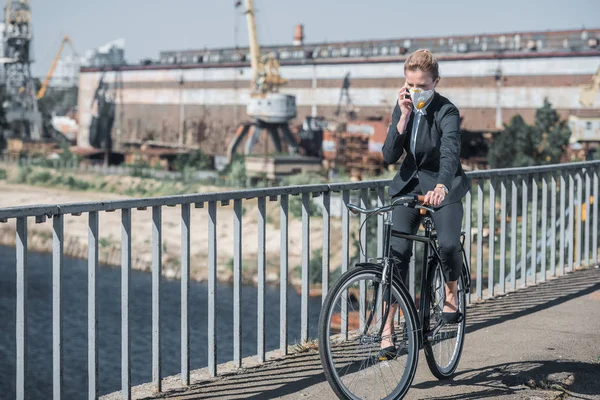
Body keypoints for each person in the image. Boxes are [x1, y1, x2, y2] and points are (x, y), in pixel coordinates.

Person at [379, 49, 471, 360]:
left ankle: (450, 294)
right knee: (396, 256)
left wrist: (443, 186)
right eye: (410, 85)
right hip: (409, 185)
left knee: (446, 244)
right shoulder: (404, 104)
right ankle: (388, 329)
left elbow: (450, 152)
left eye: (422, 86)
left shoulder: (447, 111)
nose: (416, 91)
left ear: (435, 82)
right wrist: (403, 116)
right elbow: (389, 156)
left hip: (443, 186)